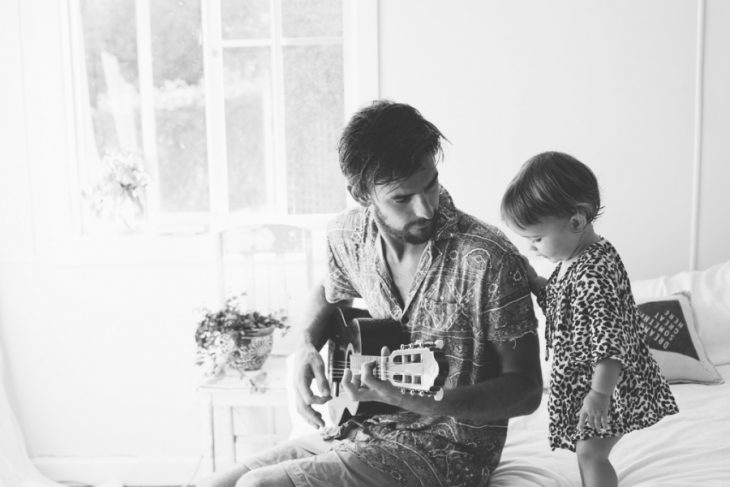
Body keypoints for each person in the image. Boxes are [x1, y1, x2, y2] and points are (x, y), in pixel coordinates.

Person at [198, 100, 543, 487]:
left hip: (446, 452)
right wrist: (306, 345)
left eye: (430, 184)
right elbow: (332, 294)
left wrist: (428, 403)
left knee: (255, 486)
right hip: (361, 429)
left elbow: (527, 389)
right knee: (214, 484)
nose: (425, 209)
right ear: (361, 193)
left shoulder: (489, 259)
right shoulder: (346, 236)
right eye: (401, 198)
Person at [500, 151, 679, 487]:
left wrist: (599, 394)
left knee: (591, 453)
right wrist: (536, 282)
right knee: (586, 450)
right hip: (590, 381)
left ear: (576, 221)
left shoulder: (595, 272)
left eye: (537, 239)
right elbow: (564, 305)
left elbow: (611, 342)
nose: (533, 249)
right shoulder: (576, 258)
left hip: (609, 383)